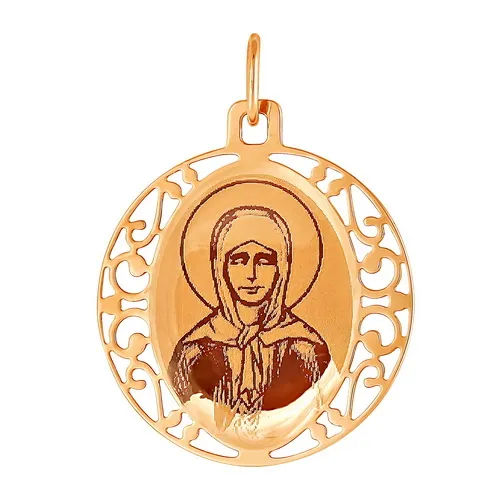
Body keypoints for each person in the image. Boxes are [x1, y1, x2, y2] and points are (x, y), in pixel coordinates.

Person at [168, 206, 330, 431]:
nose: (251, 274)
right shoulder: (193, 351)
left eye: (264, 260)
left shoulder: (306, 349)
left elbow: (318, 409)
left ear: (282, 268)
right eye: (238, 260)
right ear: (221, 267)